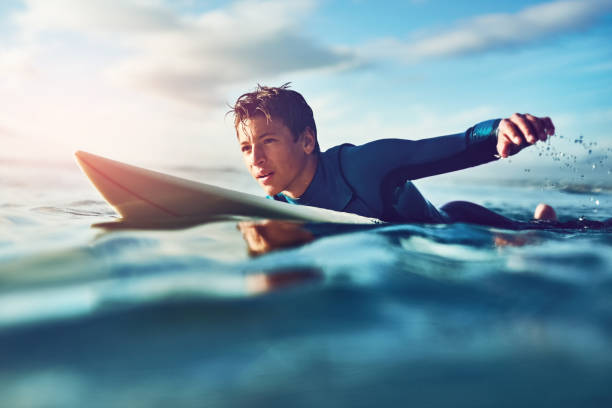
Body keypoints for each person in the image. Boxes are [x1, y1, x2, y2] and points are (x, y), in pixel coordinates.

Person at [229, 83, 557, 229]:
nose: (255, 158)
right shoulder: (276, 212)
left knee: (541, 238)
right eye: (246, 148)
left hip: (462, 229)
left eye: (267, 141)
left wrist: (499, 130)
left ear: (307, 141)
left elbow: (454, 147)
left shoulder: (362, 166)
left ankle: (542, 223)